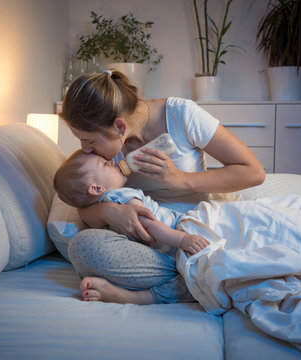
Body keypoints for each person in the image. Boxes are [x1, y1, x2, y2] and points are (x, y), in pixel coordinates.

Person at [59, 69, 265, 305]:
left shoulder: (181, 115)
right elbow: (84, 206)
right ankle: (204, 274)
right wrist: (110, 212)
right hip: (148, 243)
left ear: (120, 127)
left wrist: (181, 179)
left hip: (190, 231)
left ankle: (194, 274)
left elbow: (253, 171)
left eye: (89, 140)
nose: (84, 149)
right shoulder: (99, 158)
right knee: (82, 246)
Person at [53, 150, 210, 258]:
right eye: (105, 164)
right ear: (96, 188)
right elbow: (149, 224)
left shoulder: (103, 210)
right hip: (176, 229)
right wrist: (183, 240)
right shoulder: (121, 195)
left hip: (165, 245)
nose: (112, 162)